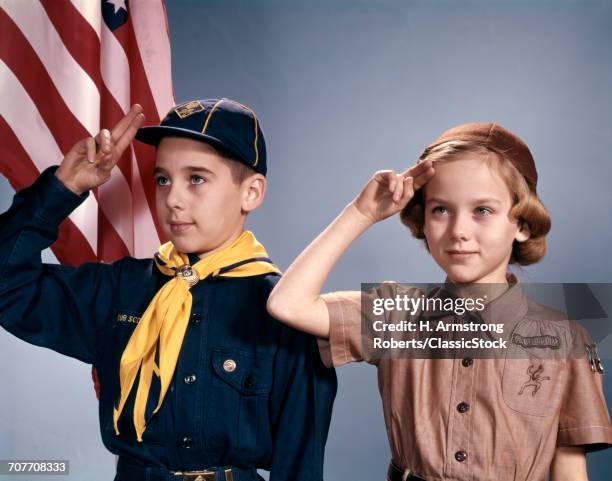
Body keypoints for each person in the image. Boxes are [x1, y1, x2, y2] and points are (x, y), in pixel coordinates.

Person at [0, 99, 336, 481]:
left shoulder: (285, 311)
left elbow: (300, 467)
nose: (172, 199)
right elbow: (7, 285)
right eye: (163, 179)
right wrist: (62, 188)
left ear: (252, 192)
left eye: (197, 179)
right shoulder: (120, 289)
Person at [267, 122, 612, 481]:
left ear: (522, 224)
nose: (459, 230)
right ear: (423, 221)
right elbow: (287, 304)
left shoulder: (565, 340)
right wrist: (361, 213)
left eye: (482, 210)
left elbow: (570, 471)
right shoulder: (396, 316)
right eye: (441, 210)